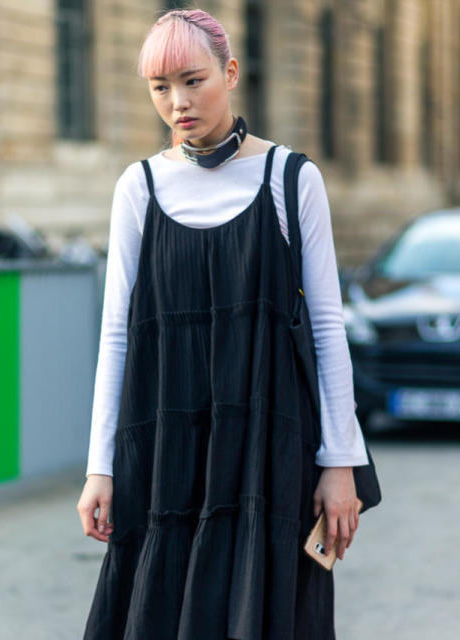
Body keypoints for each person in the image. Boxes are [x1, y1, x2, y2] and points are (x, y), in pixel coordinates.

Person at [76, 8, 370, 639]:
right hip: (165, 453)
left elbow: (325, 328)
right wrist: (101, 465)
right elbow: (117, 335)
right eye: (160, 87)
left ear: (230, 72)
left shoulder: (292, 180)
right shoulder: (139, 187)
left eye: (192, 80)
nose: (178, 102)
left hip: (269, 449)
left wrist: (340, 463)